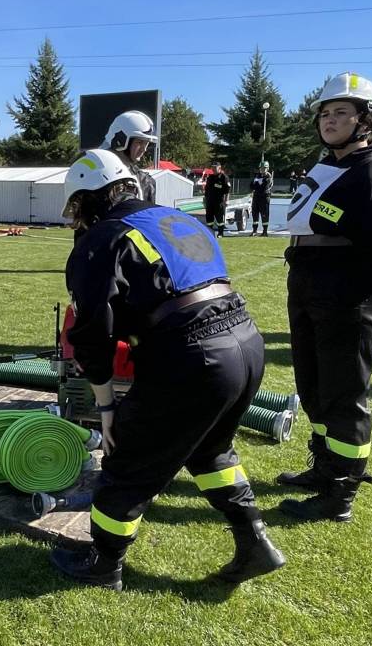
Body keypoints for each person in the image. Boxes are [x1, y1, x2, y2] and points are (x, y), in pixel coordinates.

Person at [50, 148, 284, 590]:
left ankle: (104, 563)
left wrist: (107, 407)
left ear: (86, 200)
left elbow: (93, 334)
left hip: (193, 356)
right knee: (210, 450)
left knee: (127, 457)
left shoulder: (102, 238)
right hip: (245, 341)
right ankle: (254, 541)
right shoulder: (176, 219)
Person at [279, 73, 372, 521]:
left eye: (341, 112)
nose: (330, 120)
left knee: (344, 394)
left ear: (366, 119)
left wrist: (351, 294)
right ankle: (324, 467)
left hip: (346, 299)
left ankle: (341, 492)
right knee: (314, 387)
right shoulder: (330, 166)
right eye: (325, 113)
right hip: (309, 288)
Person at [100, 110, 158, 205]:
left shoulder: (146, 182)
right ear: (120, 140)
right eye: (139, 142)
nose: (144, 149)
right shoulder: (92, 173)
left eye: (146, 143)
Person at [204, 163, 231, 238]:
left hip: (219, 201)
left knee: (219, 218)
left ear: (219, 168)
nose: (213, 169)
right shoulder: (210, 177)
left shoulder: (223, 177)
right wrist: (205, 200)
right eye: (212, 167)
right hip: (210, 201)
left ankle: (220, 233)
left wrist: (226, 200)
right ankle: (210, 233)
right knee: (209, 218)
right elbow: (207, 190)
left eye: (215, 167)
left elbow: (227, 190)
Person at [250, 161, 274, 236]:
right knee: (255, 214)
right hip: (256, 197)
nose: (262, 169)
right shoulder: (257, 176)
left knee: (264, 214)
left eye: (264, 168)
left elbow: (264, 187)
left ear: (267, 168)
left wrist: (257, 185)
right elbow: (251, 186)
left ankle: (265, 231)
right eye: (261, 168)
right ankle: (254, 230)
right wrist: (257, 185)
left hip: (264, 197)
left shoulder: (268, 177)